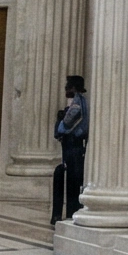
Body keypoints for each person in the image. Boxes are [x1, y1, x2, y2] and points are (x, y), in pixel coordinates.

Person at [54, 74, 87, 222]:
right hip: (76, 144)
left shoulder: (77, 102)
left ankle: (71, 210)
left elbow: (67, 123)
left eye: (68, 85)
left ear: (73, 87)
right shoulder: (80, 101)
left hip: (73, 144)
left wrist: (60, 124)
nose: (66, 88)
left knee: (73, 178)